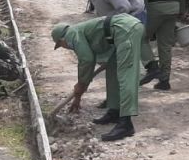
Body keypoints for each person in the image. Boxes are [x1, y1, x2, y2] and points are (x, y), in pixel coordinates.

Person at [51, 14, 144, 142]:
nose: (65, 47)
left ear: (62, 39)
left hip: (126, 30)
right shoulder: (78, 31)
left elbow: (87, 59)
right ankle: (115, 111)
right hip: (121, 31)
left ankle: (126, 123)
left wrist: (81, 84)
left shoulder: (72, 35)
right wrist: (79, 92)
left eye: (61, 45)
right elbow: (93, 53)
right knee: (112, 70)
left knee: (126, 75)